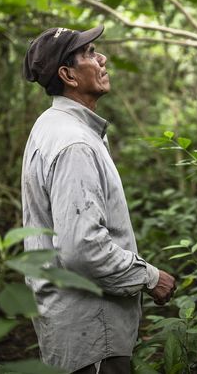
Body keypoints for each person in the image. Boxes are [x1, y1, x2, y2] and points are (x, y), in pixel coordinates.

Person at [20, 25, 176, 374]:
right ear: (68, 75)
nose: (101, 58)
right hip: (93, 333)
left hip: (75, 328)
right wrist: (149, 277)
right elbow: (82, 247)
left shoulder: (51, 125)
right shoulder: (74, 143)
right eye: (89, 54)